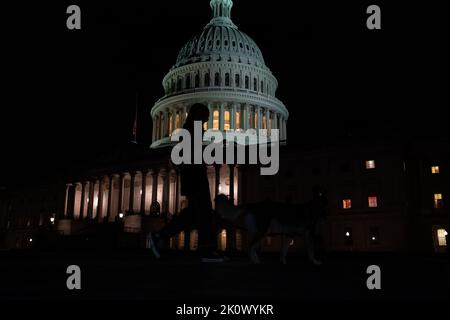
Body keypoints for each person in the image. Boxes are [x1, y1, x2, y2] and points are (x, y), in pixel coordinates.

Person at [148, 103, 225, 263]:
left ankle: (158, 236)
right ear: (198, 115)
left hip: (194, 177)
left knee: (193, 214)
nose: (208, 118)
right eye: (205, 115)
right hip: (195, 178)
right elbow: (186, 156)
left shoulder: (190, 131)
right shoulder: (191, 131)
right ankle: (207, 251)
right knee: (204, 213)